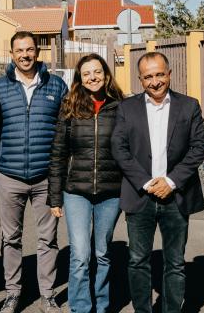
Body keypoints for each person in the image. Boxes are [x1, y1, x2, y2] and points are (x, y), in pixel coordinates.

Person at [111, 52, 204, 313]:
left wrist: (172, 181)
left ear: (169, 74)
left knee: (175, 262)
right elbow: (119, 149)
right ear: (140, 79)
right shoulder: (126, 108)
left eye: (159, 74)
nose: (155, 81)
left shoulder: (189, 106)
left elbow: (198, 149)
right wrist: (145, 182)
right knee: (138, 260)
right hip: (139, 196)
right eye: (148, 76)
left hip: (176, 198)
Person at [0, 31, 68, 313]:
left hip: (45, 178)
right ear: (11, 55)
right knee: (10, 238)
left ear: (38, 52)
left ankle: (47, 295)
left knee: (48, 238)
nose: (25, 55)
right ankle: (13, 293)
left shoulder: (56, 86)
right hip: (9, 177)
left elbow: (65, 130)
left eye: (30, 50)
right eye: (19, 50)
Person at [48, 53, 124, 313]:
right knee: (80, 255)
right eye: (86, 73)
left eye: (97, 72)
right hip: (76, 192)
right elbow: (58, 153)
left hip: (111, 192)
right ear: (79, 79)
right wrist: (55, 197)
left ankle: (101, 306)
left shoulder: (120, 106)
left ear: (106, 74)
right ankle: (80, 308)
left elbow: (129, 150)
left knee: (102, 254)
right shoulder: (69, 106)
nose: (93, 77)